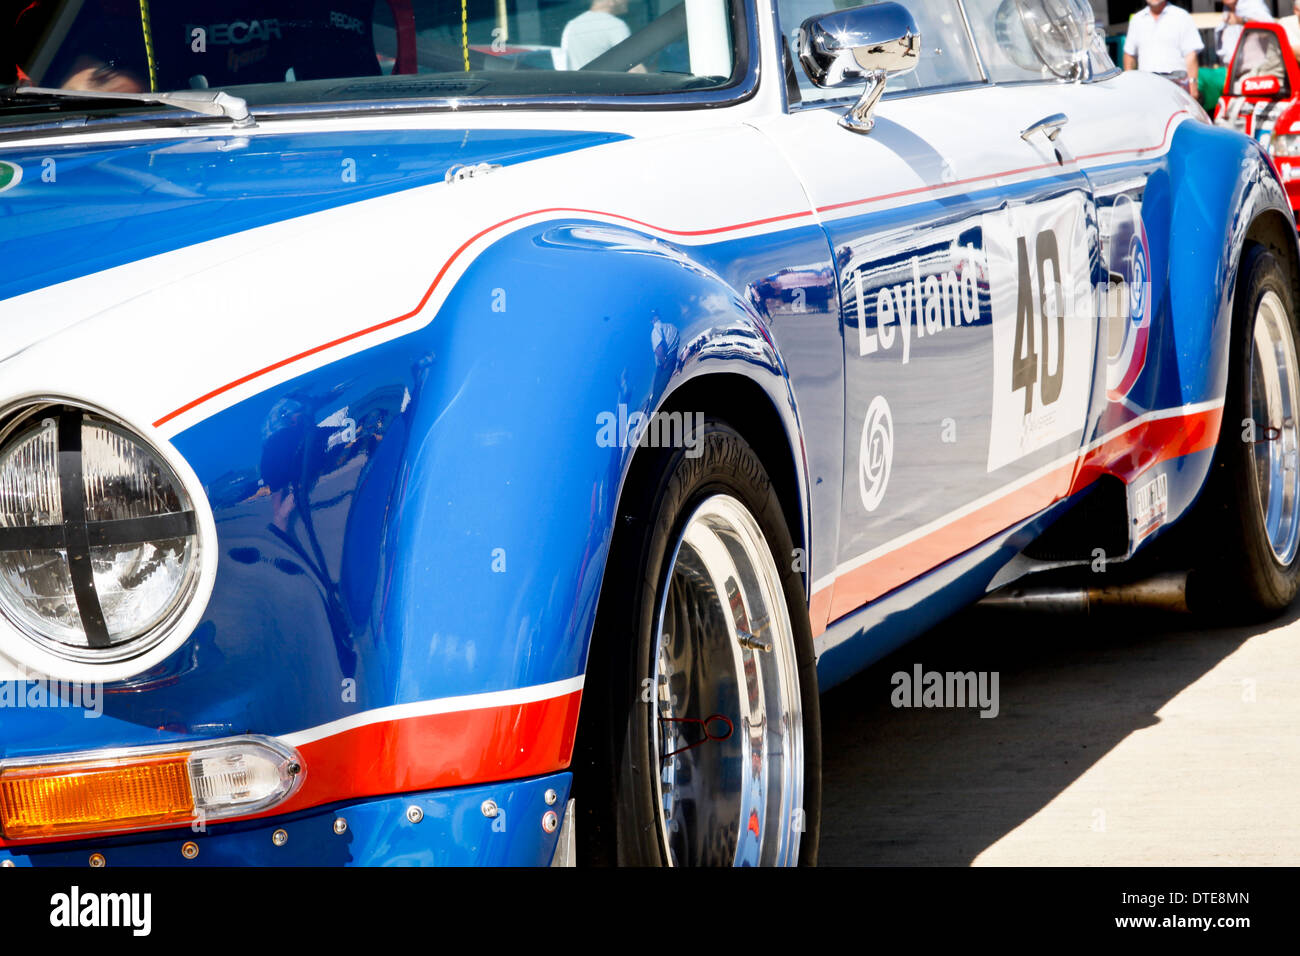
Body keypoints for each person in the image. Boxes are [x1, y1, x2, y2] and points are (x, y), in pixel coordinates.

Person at [1123, 0, 1204, 97]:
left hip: (1177, 89)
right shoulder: (1137, 20)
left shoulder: (1182, 16)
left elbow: (1191, 55)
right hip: (1146, 91)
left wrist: (1193, 87)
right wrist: (1129, 86)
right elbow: (1129, 55)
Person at [561, 0, 631, 70]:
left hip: (575, 80)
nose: (627, 1)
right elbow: (632, 66)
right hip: (605, 80)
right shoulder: (614, 25)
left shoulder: (571, 25)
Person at [1216, 0, 1274, 66]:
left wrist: (1242, 20)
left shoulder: (1253, 3)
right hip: (1235, 72)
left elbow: (1269, 27)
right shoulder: (1226, 10)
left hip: (1258, 71)